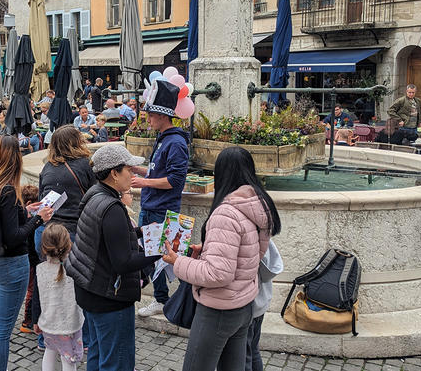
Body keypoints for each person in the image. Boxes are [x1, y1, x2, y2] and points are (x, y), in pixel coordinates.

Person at [161, 146, 280, 371]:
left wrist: (178, 261)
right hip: (244, 305)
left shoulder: (226, 213)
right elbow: (252, 254)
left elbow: (218, 274)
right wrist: (208, 249)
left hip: (218, 308)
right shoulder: (259, 204)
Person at [65, 145, 160, 371]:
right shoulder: (113, 207)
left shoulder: (95, 193)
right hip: (109, 298)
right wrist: (159, 251)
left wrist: (144, 232)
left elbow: (107, 236)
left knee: (98, 355)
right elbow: (124, 263)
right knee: (117, 362)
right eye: (129, 169)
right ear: (114, 173)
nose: (133, 174)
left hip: (90, 290)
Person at [0, 136, 54, 371]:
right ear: (14, 158)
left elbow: (1, 221)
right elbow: (14, 237)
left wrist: (25, 211)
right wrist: (39, 220)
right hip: (10, 264)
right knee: (2, 328)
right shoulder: (8, 190)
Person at [132, 80, 189, 316]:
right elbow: (160, 173)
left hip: (161, 209)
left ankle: (163, 299)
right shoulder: (164, 138)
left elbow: (175, 180)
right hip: (153, 206)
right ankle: (163, 298)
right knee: (155, 255)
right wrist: (138, 170)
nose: (147, 118)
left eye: (151, 114)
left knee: (162, 256)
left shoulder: (174, 142)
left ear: (163, 116)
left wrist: (144, 182)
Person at [33, 224, 85, 371]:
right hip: (71, 324)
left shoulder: (40, 270)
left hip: (49, 323)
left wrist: (35, 320)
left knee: (50, 351)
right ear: (69, 244)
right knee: (69, 358)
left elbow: (35, 300)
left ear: (44, 248)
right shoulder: (76, 268)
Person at [246, 240, 283, 371]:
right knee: (253, 350)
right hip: (260, 304)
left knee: (244, 355)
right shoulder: (264, 238)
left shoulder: (248, 237)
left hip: (246, 306)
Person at [19, 185, 41, 335]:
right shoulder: (29, 220)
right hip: (31, 260)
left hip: (30, 259)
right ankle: (27, 321)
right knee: (32, 290)